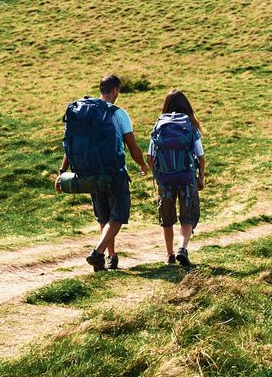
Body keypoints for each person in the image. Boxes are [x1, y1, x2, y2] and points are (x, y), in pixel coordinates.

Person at [57, 74, 148, 271]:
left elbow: (70, 144)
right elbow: (132, 147)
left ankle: (111, 257)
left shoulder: (85, 113)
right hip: (114, 171)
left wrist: (62, 171)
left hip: (90, 172)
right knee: (118, 215)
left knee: (103, 216)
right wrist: (143, 165)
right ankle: (98, 253)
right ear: (115, 90)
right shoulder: (118, 113)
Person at [148, 89, 206, 268]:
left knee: (167, 217)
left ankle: (169, 254)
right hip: (187, 178)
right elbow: (201, 157)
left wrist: (158, 175)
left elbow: (150, 157)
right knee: (187, 216)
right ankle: (182, 248)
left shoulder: (159, 125)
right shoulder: (190, 126)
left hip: (165, 180)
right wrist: (201, 177)